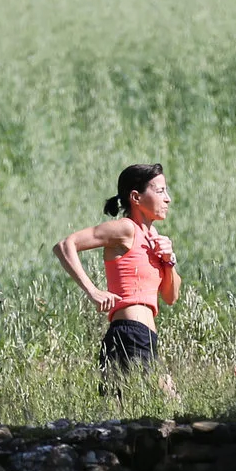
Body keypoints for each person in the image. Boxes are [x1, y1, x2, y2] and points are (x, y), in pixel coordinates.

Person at [54, 162, 179, 388]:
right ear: (136, 197)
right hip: (130, 335)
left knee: (130, 415)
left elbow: (170, 297)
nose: (167, 198)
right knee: (165, 402)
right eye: (160, 191)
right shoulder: (126, 229)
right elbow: (65, 245)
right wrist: (93, 291)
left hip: (144, 338)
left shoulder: (154, 238)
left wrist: (168, 261)